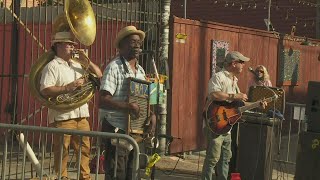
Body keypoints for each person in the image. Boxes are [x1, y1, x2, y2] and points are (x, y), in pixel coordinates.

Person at [40, 31, 102, 180]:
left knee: (85, 150)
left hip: (81, 114)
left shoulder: (77, 64)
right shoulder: (52, 66)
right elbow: (45, 90)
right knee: (62, 151)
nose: (72, 46)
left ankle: (85, 177)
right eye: (69, 44)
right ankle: (62, 177)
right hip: (63, 116)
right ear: (58, 46)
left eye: (73, 44)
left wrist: (86, 60)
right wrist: (67, 87)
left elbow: (99, 75)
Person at [99, 25, 155, 180]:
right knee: (117, 174)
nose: (137, 45)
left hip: (134, 131)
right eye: (132, 42)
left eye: (139, 42)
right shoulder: (114, 67)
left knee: (133, 174)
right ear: (121, 45)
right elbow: (103, 100)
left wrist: (151, 115)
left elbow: (144, 101)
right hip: (116, 128)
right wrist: (128, 106)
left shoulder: (141, 71)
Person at [201, 51, 266, 180]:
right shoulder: (219, 77)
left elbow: (238, 105)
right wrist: (235, 95)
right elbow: (213, 95)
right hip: (215, 125)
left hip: (227, 127)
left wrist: (256, 104)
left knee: (225, 159)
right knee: (212, 159)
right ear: (234, 63)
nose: (244, 65)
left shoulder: (234, 80)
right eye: (242, 62)